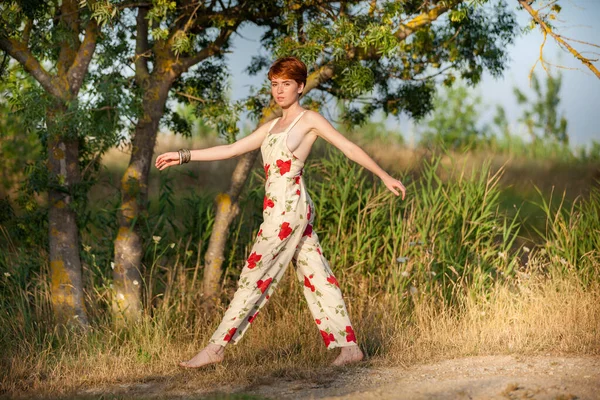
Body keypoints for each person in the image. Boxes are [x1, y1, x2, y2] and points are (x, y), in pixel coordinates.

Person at [155, 56, 406, 368]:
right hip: (278, 206)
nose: (279, 90)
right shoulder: (273, 126)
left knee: (253, 274)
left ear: (300, 87)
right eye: (275, 84)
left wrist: (383, 175)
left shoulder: (309, 120)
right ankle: (350, 347)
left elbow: (349, 148)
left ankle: (216, 348)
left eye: (286, 84)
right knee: (316, 273)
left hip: (290, 207)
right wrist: (184, 155)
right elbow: (232, 149)